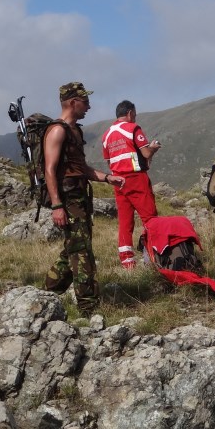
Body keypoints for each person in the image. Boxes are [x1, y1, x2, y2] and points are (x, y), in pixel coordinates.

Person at [43, 82, 125, 315]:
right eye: (85, 101)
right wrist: (57, 205)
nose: (88, 106)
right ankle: (88, 308)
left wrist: (108, 178)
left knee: (73, 248)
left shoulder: (74, 131)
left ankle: (47, 293)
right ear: (72, 102)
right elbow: (50, 170)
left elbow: (81, 168)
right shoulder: (57, 130)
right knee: (81, 253)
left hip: (80, 198)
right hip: (68, 200)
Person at [101, 100, 162, 269]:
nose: (135, 117)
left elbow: (109, 161)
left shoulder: (106, 135)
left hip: (118, 180)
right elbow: (146, 152)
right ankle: (154, 254)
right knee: (149, 217)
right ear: (129, 113)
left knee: (125, 222)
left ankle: (127, 262)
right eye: (134, 114)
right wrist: (154, 148)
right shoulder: (133, 128)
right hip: (136, 178)